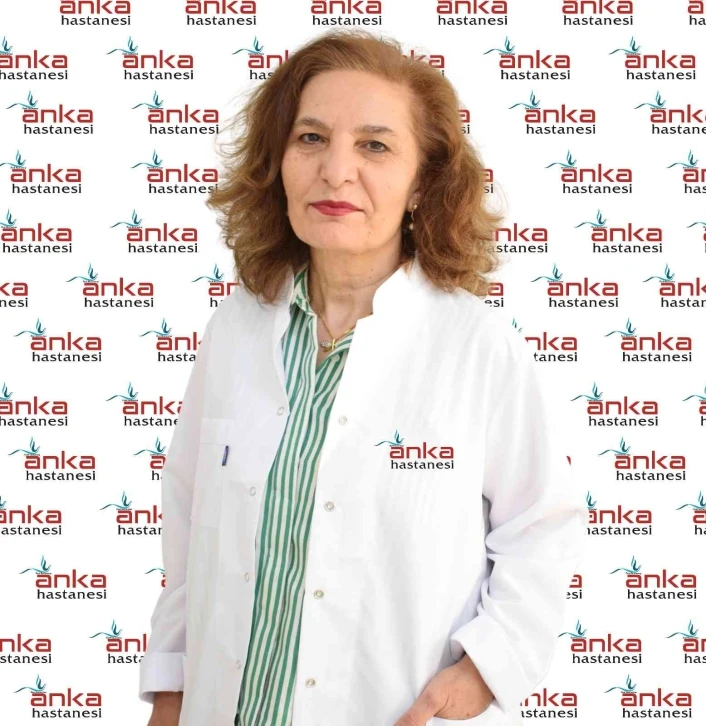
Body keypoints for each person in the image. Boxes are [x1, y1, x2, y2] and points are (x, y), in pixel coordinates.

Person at [139, 29, 587, 726]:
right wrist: (171, 693)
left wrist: (483, 670)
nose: (335, 171)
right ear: (278, 162)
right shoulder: (237, 328)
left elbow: (540, 527)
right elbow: (189, 524)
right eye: (311, 139)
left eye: (374, 146)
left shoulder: (477, 346)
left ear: (421, 185)